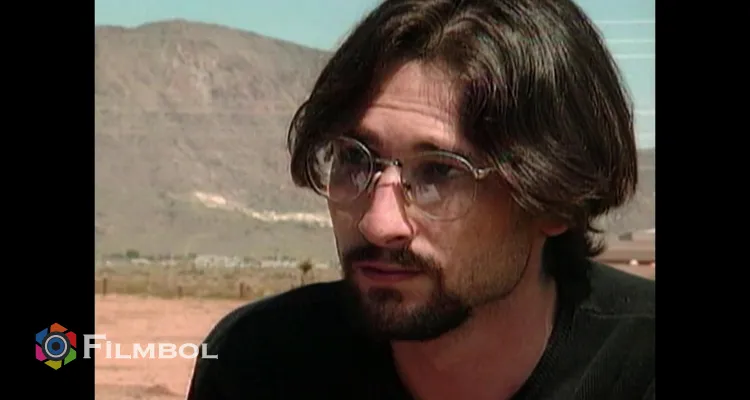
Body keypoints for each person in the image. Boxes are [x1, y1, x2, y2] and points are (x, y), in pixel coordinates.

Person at [185, 0, 655, 399]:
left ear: (554, 200)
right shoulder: (259, 364)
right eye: (354, 159)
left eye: (439, 172)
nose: (377, 223)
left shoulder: (639, 366)